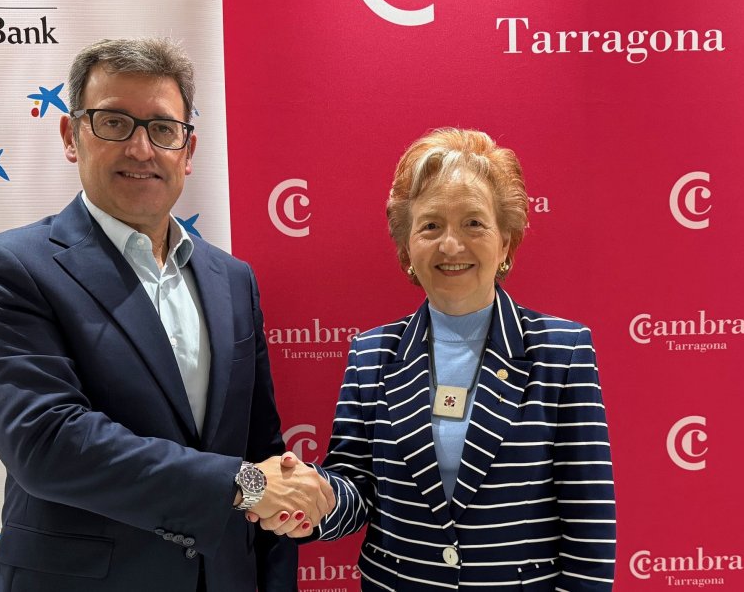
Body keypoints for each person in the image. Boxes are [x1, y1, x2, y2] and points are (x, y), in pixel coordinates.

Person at [0, 38, 332, 591]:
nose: (140, 148)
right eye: (114, 123)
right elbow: (47, 443)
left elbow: (262, 449)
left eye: (162, 128)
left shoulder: (232, 280)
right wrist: (244, 484)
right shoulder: (6, 269)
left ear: (187, 149)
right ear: (71, 136)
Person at [256, 128, 617, 590]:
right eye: (430, 226)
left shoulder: (562, 351)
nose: (450, 245)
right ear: (408, 248)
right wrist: (312, 499)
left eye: (473, 223)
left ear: (505, 243)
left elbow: (589, 522)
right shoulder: (371, 355)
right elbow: (356, 488)